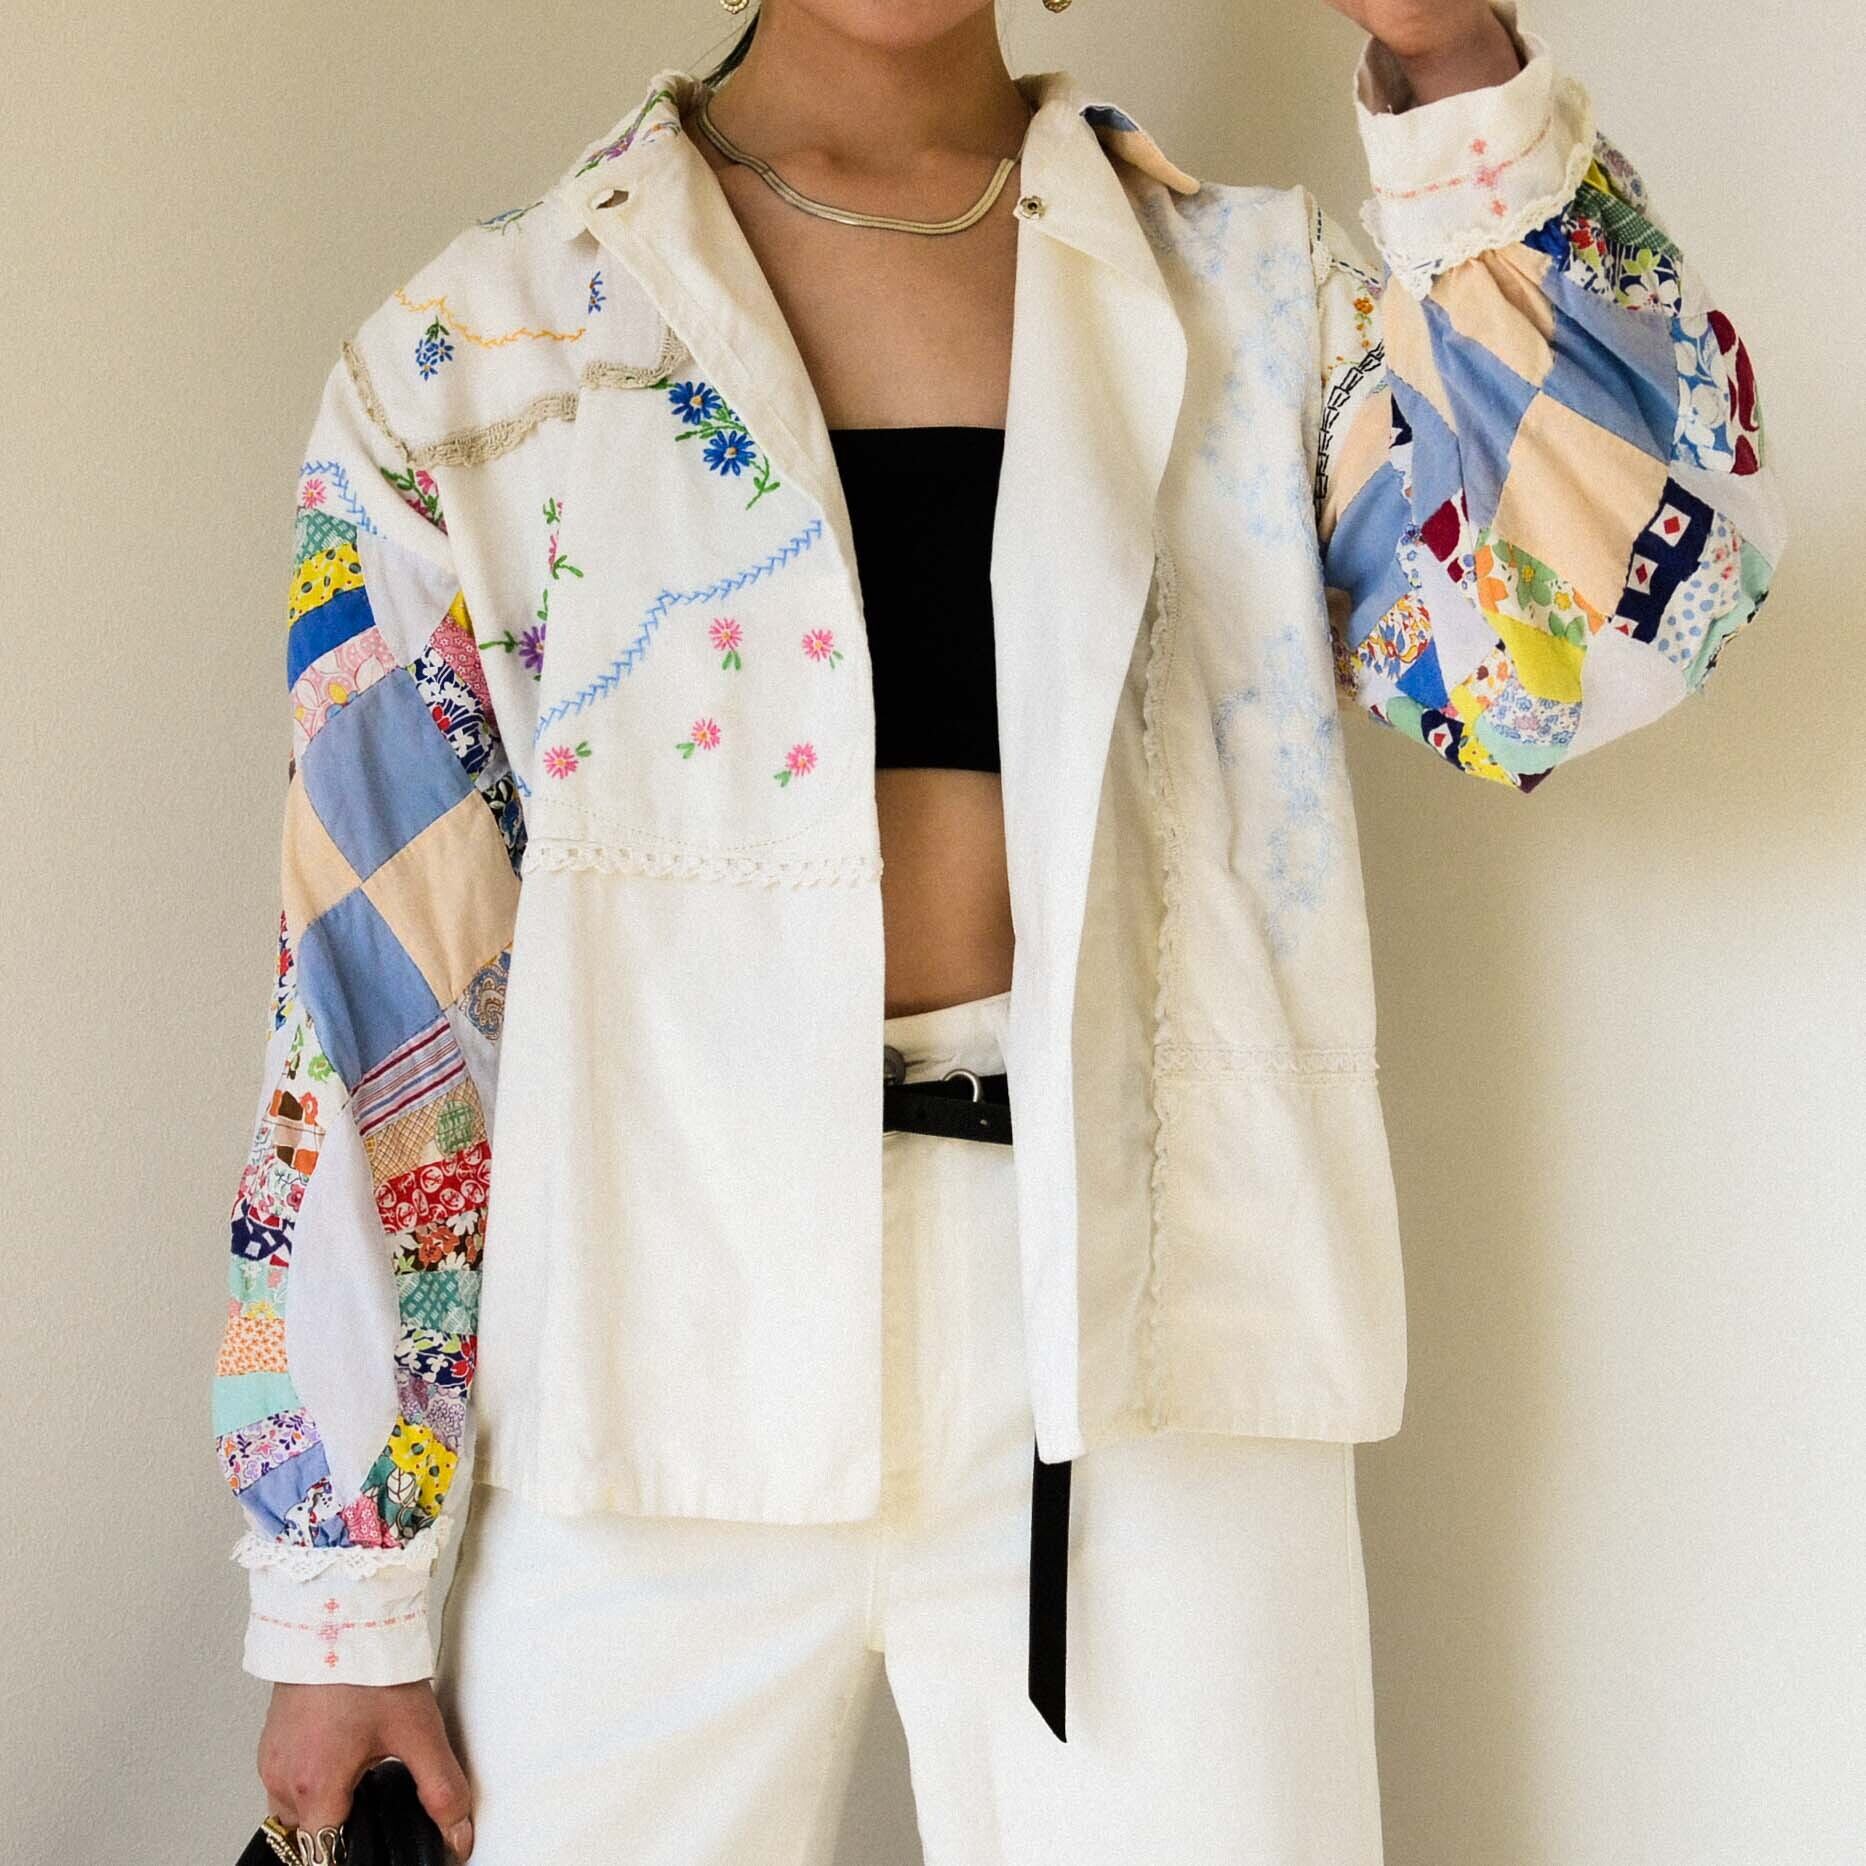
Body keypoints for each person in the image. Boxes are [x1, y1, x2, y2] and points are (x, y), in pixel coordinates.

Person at [213, 0, 1785, 1860]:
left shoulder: (1254, 303)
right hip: (640, 1328)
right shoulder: (482, 351)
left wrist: (1453, 59)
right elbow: (376, 989)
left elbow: (1587, 642)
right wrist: (341, 1594)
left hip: (1159, 1332)